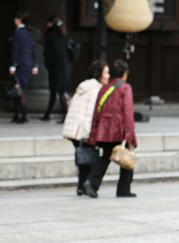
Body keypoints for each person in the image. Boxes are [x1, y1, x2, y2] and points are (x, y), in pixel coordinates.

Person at [83, 59, 137, 198]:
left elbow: (96, 111)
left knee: (106, 156)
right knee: (126, 156)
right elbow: (128, 112)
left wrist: (94, 132)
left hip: (104, 129)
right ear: (124, 74)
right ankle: (123, 190)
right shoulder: (125, 87)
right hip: (119, 129)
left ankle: (91, 182)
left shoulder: (104, 87)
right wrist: (130, 133)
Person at [62, 60, 110, 195]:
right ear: (98, 74)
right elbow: (90, 114)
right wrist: (89, 134)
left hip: (73, 129)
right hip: (83, 130)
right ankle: (88, 184)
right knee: (89, 159)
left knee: (84, 159)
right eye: (106, 72)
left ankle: (81, 187)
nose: (108, 76)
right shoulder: (96, 90)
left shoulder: (83, 86)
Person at [9, 10, 38, 123]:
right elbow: (33, 50)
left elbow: (15, 49)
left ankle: (24, 115)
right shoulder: (28, 32)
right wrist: (34, 65)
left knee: (20, 91)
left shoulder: (17, 32)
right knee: (20, 90)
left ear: (19, 19)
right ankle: (17, 114)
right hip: (28, 63)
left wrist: (12, 65)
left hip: (20, 64)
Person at [41, 16, 70, 122]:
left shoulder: (51, 37)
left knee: (58, 91)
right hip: (65, 66)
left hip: (55, 67)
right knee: (58, 91)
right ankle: (48, 113)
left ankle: (65, 114)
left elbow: (48, 54)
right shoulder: (64, 36)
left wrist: (47, 65)